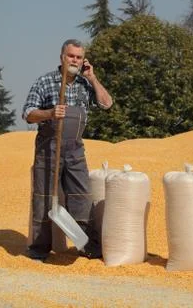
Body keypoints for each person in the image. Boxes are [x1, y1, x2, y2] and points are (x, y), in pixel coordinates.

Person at [22, 39, 113, 261]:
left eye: (79, 57)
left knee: (81, 196)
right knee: (44, 199)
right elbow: (27, 113)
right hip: (48, 149)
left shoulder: (85, 84)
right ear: (62, 57)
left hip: (75, 150)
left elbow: (106, 103)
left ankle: (87, 246)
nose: (75, 60)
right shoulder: (45, 82)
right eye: (71, 56)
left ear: (84, 60)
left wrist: (92, 78)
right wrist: (50, 113)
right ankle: (38, 249)